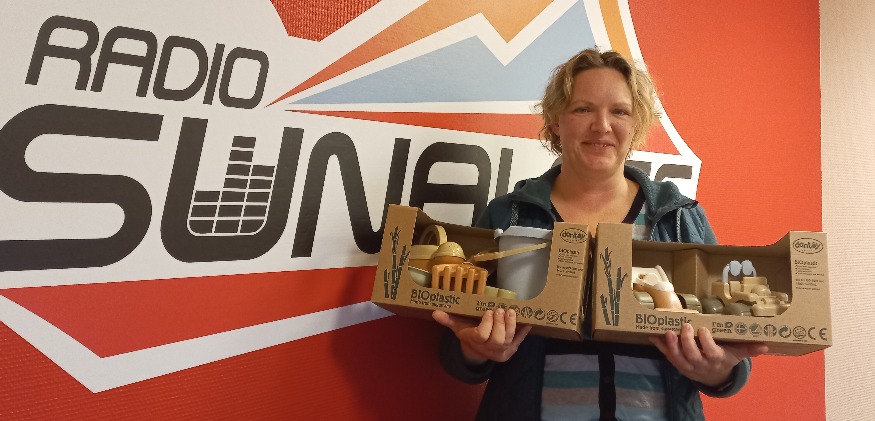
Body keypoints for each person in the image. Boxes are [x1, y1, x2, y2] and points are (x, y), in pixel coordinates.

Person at [431, 48, 768, 421]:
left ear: (637, 124)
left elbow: (729, 353)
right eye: (583, 109)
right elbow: (457, 344)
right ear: (556, 120)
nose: (602, 126)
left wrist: (718, 371)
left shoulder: (679, 218)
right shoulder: (507, 215)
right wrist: (475, 351)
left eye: (619, 111)